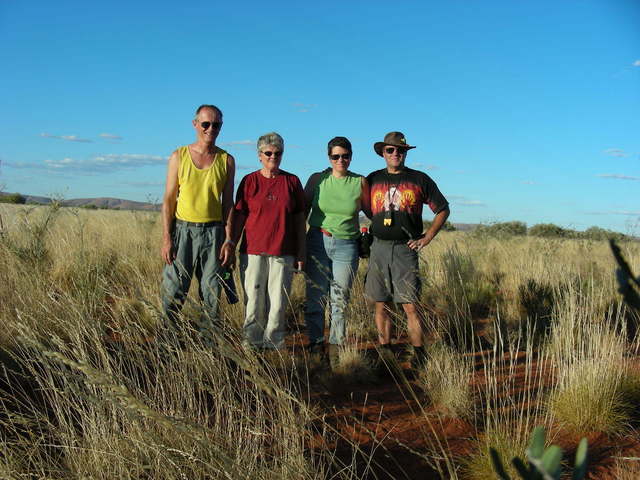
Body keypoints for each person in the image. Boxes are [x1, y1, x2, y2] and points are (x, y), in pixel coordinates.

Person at [365, 131, 450, 367]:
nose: (395, 154)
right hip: (379, 247)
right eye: (390, 150)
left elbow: (442, 209)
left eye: (400, 150)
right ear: (383, 152)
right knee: (381, 303)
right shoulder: (372, 179)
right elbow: (365, 207)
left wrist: (428, 236)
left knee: (410, 304)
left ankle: (420, 356)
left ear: (405, 153)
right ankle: (386, 354)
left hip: (405, 248)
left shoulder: (419, 179)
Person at [160, 104, 235, 344]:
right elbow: (169, 200)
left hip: (214, 233)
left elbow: (228, 204)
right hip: (183, 231)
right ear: (195, 125)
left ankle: (210, 350)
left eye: (216, 125)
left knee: (212, 293)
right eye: (206, 124)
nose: (211, 129)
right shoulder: (178, 156)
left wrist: (229, 239)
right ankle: (166, 347)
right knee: (173, 291)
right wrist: (167, 238)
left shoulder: (226, 160)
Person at [227, 132, 306, 350]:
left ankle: (274, 344)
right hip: (252, 250)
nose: (273, 157)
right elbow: (240, 216)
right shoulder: (249, 181)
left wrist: (301, 252)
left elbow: (300, 219)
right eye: (268, 153)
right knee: (253, 300)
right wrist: (231, 244)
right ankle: (251, 343)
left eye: (277, 153)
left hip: (283, 251)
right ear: (259, 155)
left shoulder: (291, 182)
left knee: (278, 302)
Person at [303, 136, 370, 365]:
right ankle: (314, 345)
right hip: (317, 241)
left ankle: (335, 350)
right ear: (329, 157)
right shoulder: (317, 180)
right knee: (315, 297)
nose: (341, 160)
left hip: (346, 246)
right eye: (336, 156)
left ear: (351, 156)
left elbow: (373, 212)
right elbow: (300, 211)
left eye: (345, 156)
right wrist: (297, 243)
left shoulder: (359, 182)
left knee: (339, 300)